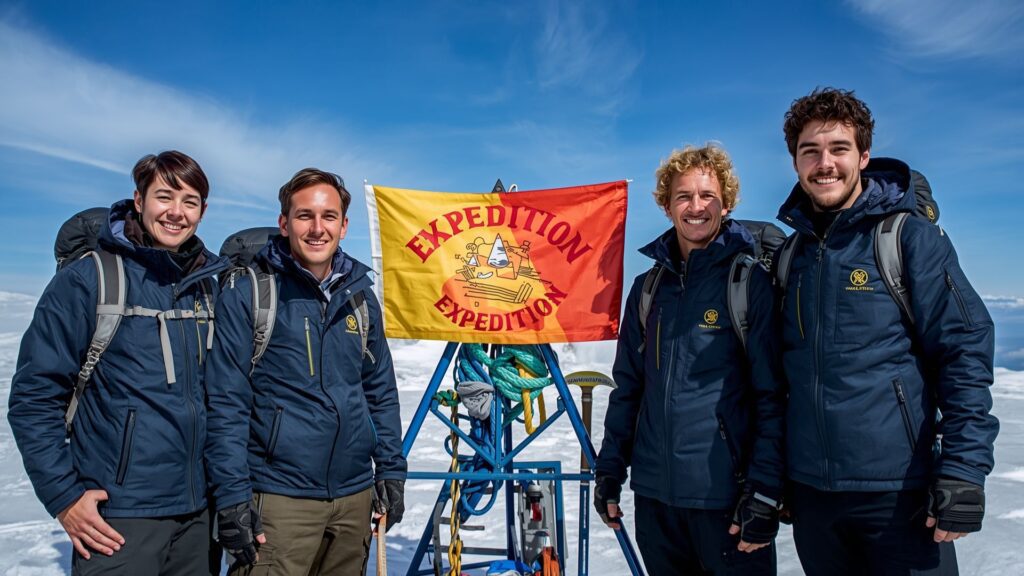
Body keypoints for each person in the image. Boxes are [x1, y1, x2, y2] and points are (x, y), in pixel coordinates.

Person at [775, 87, 998, 575]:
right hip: (814, 499)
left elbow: (964, 350)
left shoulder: (906, 237)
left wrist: (962, 468)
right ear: (795, 162)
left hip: (901, 496)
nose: (824, 163)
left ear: (864, 156)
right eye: (810, 151)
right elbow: (780, 376)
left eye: (838, 149)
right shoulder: (793, 256)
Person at [8, 151, 227, 574]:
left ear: (202, 211)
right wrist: (64, 497)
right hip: (118, 515)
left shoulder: (206, 289)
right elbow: (35, 397)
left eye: (191, 201)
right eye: (165, 197)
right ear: (139, 200)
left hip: (199, 513)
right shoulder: (89, 279)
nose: (176, 213)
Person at [594, 144, 785, 575]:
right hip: (657, 503)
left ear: (727, 203)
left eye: (707, 196)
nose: (695, 207)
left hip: (728, 502)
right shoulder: (648, 288)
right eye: (683, 196)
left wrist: (765, 490)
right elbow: (629, 388)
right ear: (666, 206)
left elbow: (772, 395)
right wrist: (610, 469)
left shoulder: (748, 282)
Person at [205, 168, 407, 575]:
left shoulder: (360, 298)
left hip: (353, 499)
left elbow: (379, 391)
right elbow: (225, 404)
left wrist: (390, 469)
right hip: (278, 502)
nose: (318, 229)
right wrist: (231, 497)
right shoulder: (251, 293)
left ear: (344, 226)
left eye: (329, 216)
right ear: (284, 223)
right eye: (304, 216)